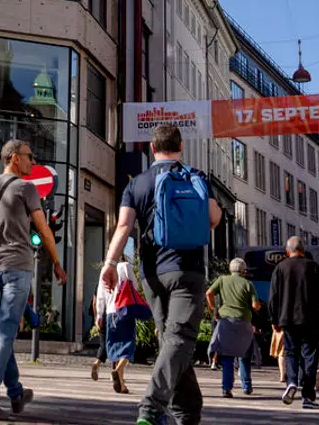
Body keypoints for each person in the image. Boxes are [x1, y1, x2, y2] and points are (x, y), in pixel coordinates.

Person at [99, 123, 221, 425]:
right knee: (179, 338)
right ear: (181, 147)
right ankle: (152, 408)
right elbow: (214, 218)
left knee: (172, 341)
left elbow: (124, 226)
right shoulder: (195, 177)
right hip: (188, 270)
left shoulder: (137, 183)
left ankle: (187, 412)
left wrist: (110, 263)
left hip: (153, 274)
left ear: (152, 148)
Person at [0, 138, 65, 420]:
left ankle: (17, 393)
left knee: (4, 331)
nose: (33, 161)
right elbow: (43, 229)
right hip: (17, 267)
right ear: (14, 158)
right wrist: (56, 262)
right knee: (7, 331)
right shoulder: (25, 188)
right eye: (29, 156)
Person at [269, 236, 319, 410]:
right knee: (310, 355)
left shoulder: (280, 268)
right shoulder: (313, 267)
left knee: (291, 352)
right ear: (303, 250)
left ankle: (291, 381)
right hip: (309, 319)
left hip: (287, 318)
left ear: (287, 252)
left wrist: (274, 319)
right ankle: (308, 396)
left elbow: (273, 297)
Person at [206, 258, 260, 398]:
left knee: (227, 356)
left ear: (230, 269)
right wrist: (257, 307)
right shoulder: (248, 284)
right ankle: (246, 386)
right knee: (244, 355)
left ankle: (226, 388)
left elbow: (209, 293)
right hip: (244, 322)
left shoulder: (222, 280)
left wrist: (214, 309)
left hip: (226, 322)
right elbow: (255, 305)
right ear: (244, 271)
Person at [92, 259, 136, 394]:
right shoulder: (126, 266)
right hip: (125, 310)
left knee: (116, 347)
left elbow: (100, 296)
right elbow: (134, 286)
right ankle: (118, 370)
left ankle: (122, 385)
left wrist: (99, 315)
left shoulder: (105, 270)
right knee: (128, 345)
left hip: (110, 313)